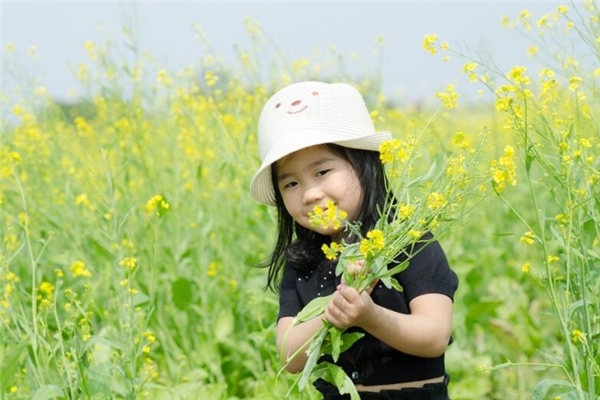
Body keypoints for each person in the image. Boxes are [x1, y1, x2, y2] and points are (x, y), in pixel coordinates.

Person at [250, 81, 458, 400]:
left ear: (365, 164)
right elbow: (290, 356)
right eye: (291, 183)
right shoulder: (302, 264)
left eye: (322, 172)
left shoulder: (407, 241)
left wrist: (370, 316)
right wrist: (331, 314)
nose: (309, 193)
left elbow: (434, 336)